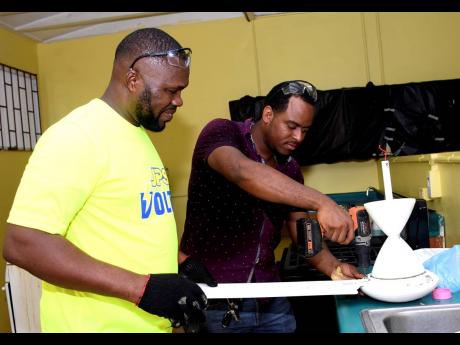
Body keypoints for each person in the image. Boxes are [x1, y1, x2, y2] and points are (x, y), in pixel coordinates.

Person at [2, 28, 214, 333]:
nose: (178, 101)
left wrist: (177, 262)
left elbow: (123, 222)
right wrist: (143, 288)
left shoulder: (138, 134)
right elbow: (23, 243)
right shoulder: (78, 135)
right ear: (132, 80)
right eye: (170, 90)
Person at [178, 80, 365, 333]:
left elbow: (303, 234)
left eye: (305, 130)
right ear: (268, 115)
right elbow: (242, 172)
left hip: (270, 298)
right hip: (215, 297)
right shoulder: (223, 133)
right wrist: (323, 202)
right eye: (291, 126)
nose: (298, 137)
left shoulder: (290, 168)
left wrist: (335, 268)